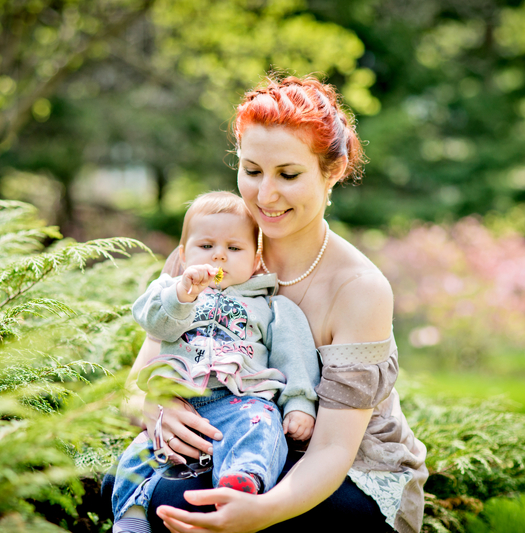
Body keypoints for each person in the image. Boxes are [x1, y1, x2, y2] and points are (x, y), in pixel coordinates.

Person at [111, 74, 428, 533]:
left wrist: (261, 513)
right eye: (252, 170)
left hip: (343, 470)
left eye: (289, 175)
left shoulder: (359, 288)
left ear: (333, 171)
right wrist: (155, 407)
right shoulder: (204, 253)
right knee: (145, 494)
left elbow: (333, 449)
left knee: (186, 503)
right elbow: (137, 383)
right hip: (229, 439)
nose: (265, 195)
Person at [111, 191, 320, 533]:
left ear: (256, 260)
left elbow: (293, 356)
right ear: (183, 255)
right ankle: (131, 517)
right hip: (178, 399)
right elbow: (155, 323)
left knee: (261, 425)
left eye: (234, 248)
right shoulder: (171, 293)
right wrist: (182, 295)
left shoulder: (270, 306)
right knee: (142, 451)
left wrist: (299, 403)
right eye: (206, 246)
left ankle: (239, 483)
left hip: (240, 400)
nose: (219, 255)